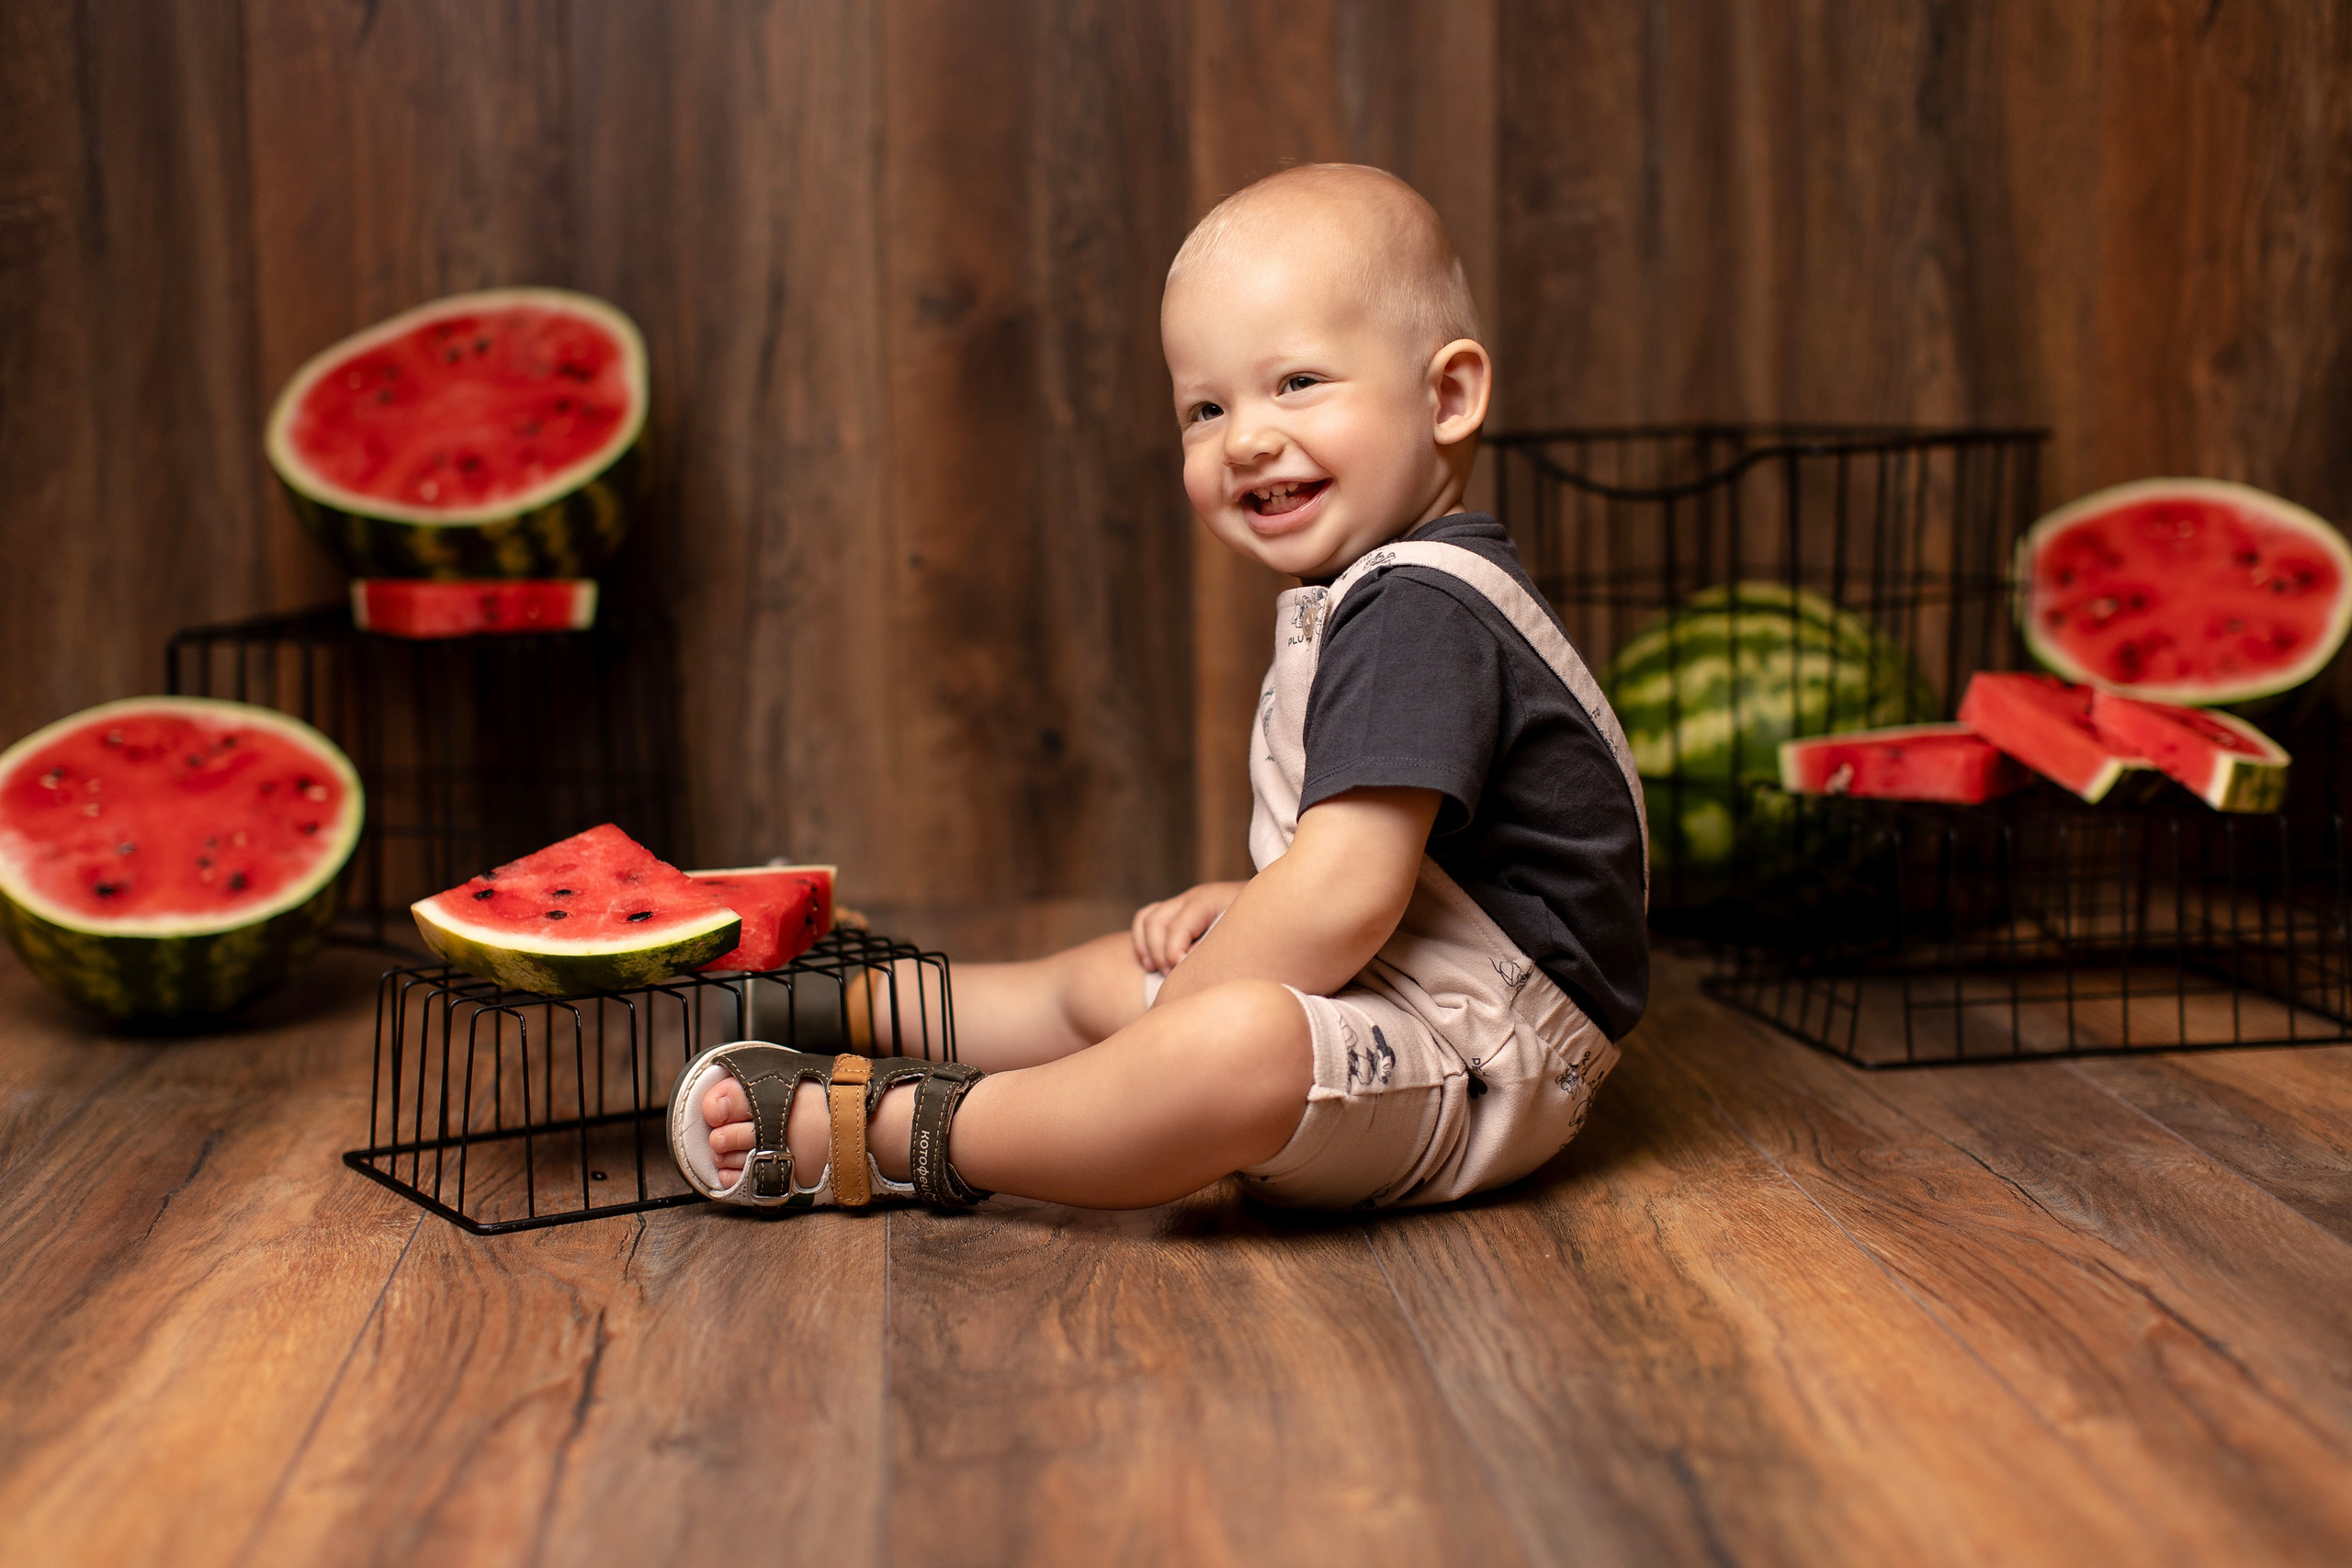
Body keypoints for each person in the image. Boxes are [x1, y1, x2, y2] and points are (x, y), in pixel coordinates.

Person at [667, 164, 1649, 1213]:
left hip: (1485, 1055)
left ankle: (890, 1131)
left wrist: (1169, 1025)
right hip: (1425, 989)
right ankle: (850, 1008)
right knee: (1105, 978)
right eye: (1205, 407)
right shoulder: (1391, 588)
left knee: (1227, 1042)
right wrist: (1247, 911)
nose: (1247, 438)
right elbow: (1397, 859)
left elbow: (1346, 893)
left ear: (1446, 397)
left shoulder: (1418, 607)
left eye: (1298, 383)